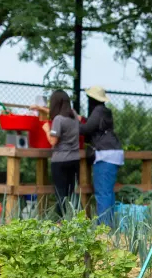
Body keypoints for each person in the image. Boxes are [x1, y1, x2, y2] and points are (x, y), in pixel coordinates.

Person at [78, 85, 124, 228]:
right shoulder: (105, 111)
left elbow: (86, 129)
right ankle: (110, 226)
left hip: (105, 155)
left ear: (92, 99)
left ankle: (104, 228)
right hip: (113, 154)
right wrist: (83, 118)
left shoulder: (98, 110)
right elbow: (95, 125)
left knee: (102, 193)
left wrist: (71, 124)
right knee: (108, 193)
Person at [32, 90, 80, 217]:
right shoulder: (74, 115)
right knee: (70, 193)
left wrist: (47, 130)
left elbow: (53, 141)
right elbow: (55, 113)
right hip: (74, 160)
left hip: (60, 161)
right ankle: (73, 219)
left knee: (60, 193)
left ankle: (60, 221)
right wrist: (39, 108)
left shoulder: (58, 120)